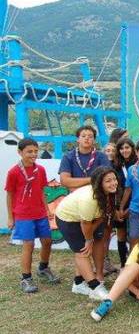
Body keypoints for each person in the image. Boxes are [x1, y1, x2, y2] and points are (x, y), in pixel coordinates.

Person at [5, 138, 60, 293]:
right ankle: (26, 278)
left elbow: (42, 190)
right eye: (29, 151)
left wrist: (47, 209)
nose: (33, 154)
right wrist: (10, 217)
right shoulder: (13, 172)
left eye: (36, 151)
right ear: (20, 152)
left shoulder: (40, 170)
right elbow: (9, 195)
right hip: (23, 214)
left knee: (47, 241)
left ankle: (43, 268)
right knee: (28, 245)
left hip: (40, 213)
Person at [55, 166, 117, 300]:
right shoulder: (89, 199)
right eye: (108, 181)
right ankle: (95, 287)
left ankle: (78, 283)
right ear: (99, 183)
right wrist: (88, 240)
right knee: (82, 251)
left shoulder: (109, 192)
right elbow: (85, 224)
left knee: (88, 247)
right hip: (68, 219)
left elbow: (100, 216)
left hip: (89, 218)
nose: (113, 183)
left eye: (114, 179)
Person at [59, 126, 112, 278]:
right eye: (83, 135)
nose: (87, 138)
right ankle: (81, 278)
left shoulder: (101, 157)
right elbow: (65, 181)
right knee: (82, 243)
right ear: (78, 139)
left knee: (98, 240)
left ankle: (99, 275)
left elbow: (106, 178)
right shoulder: (68, 157)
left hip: (97, 203)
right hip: (76, 207)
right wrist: (92, 179)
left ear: (94, 140)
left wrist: (77, 182)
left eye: (90, 136)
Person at [112, 137, 136, 267]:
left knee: (134, 236)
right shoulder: (115, 165)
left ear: (132, 148)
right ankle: (123, 264)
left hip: (136, 205)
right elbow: (112, 188)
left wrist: (130, 207)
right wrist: (117, 209)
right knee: (121, 235)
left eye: (127, 147)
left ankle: (134, 264)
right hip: (119, 206)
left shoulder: (138, 164)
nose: (124, 150)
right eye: (121, 148)